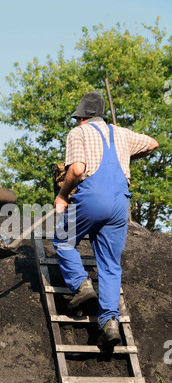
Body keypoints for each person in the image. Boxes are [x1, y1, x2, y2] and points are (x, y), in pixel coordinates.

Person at [53, 91, 159, 349]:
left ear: (82, 117)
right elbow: (153, 143)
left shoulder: (78, 133)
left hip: (92, 197)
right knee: (111, 265)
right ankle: (110, 323)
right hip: (120, 204)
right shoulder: (122, 133)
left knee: (63, 240)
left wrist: (62, 195)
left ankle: (81, 285)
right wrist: (127, 157)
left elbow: (77, 170)